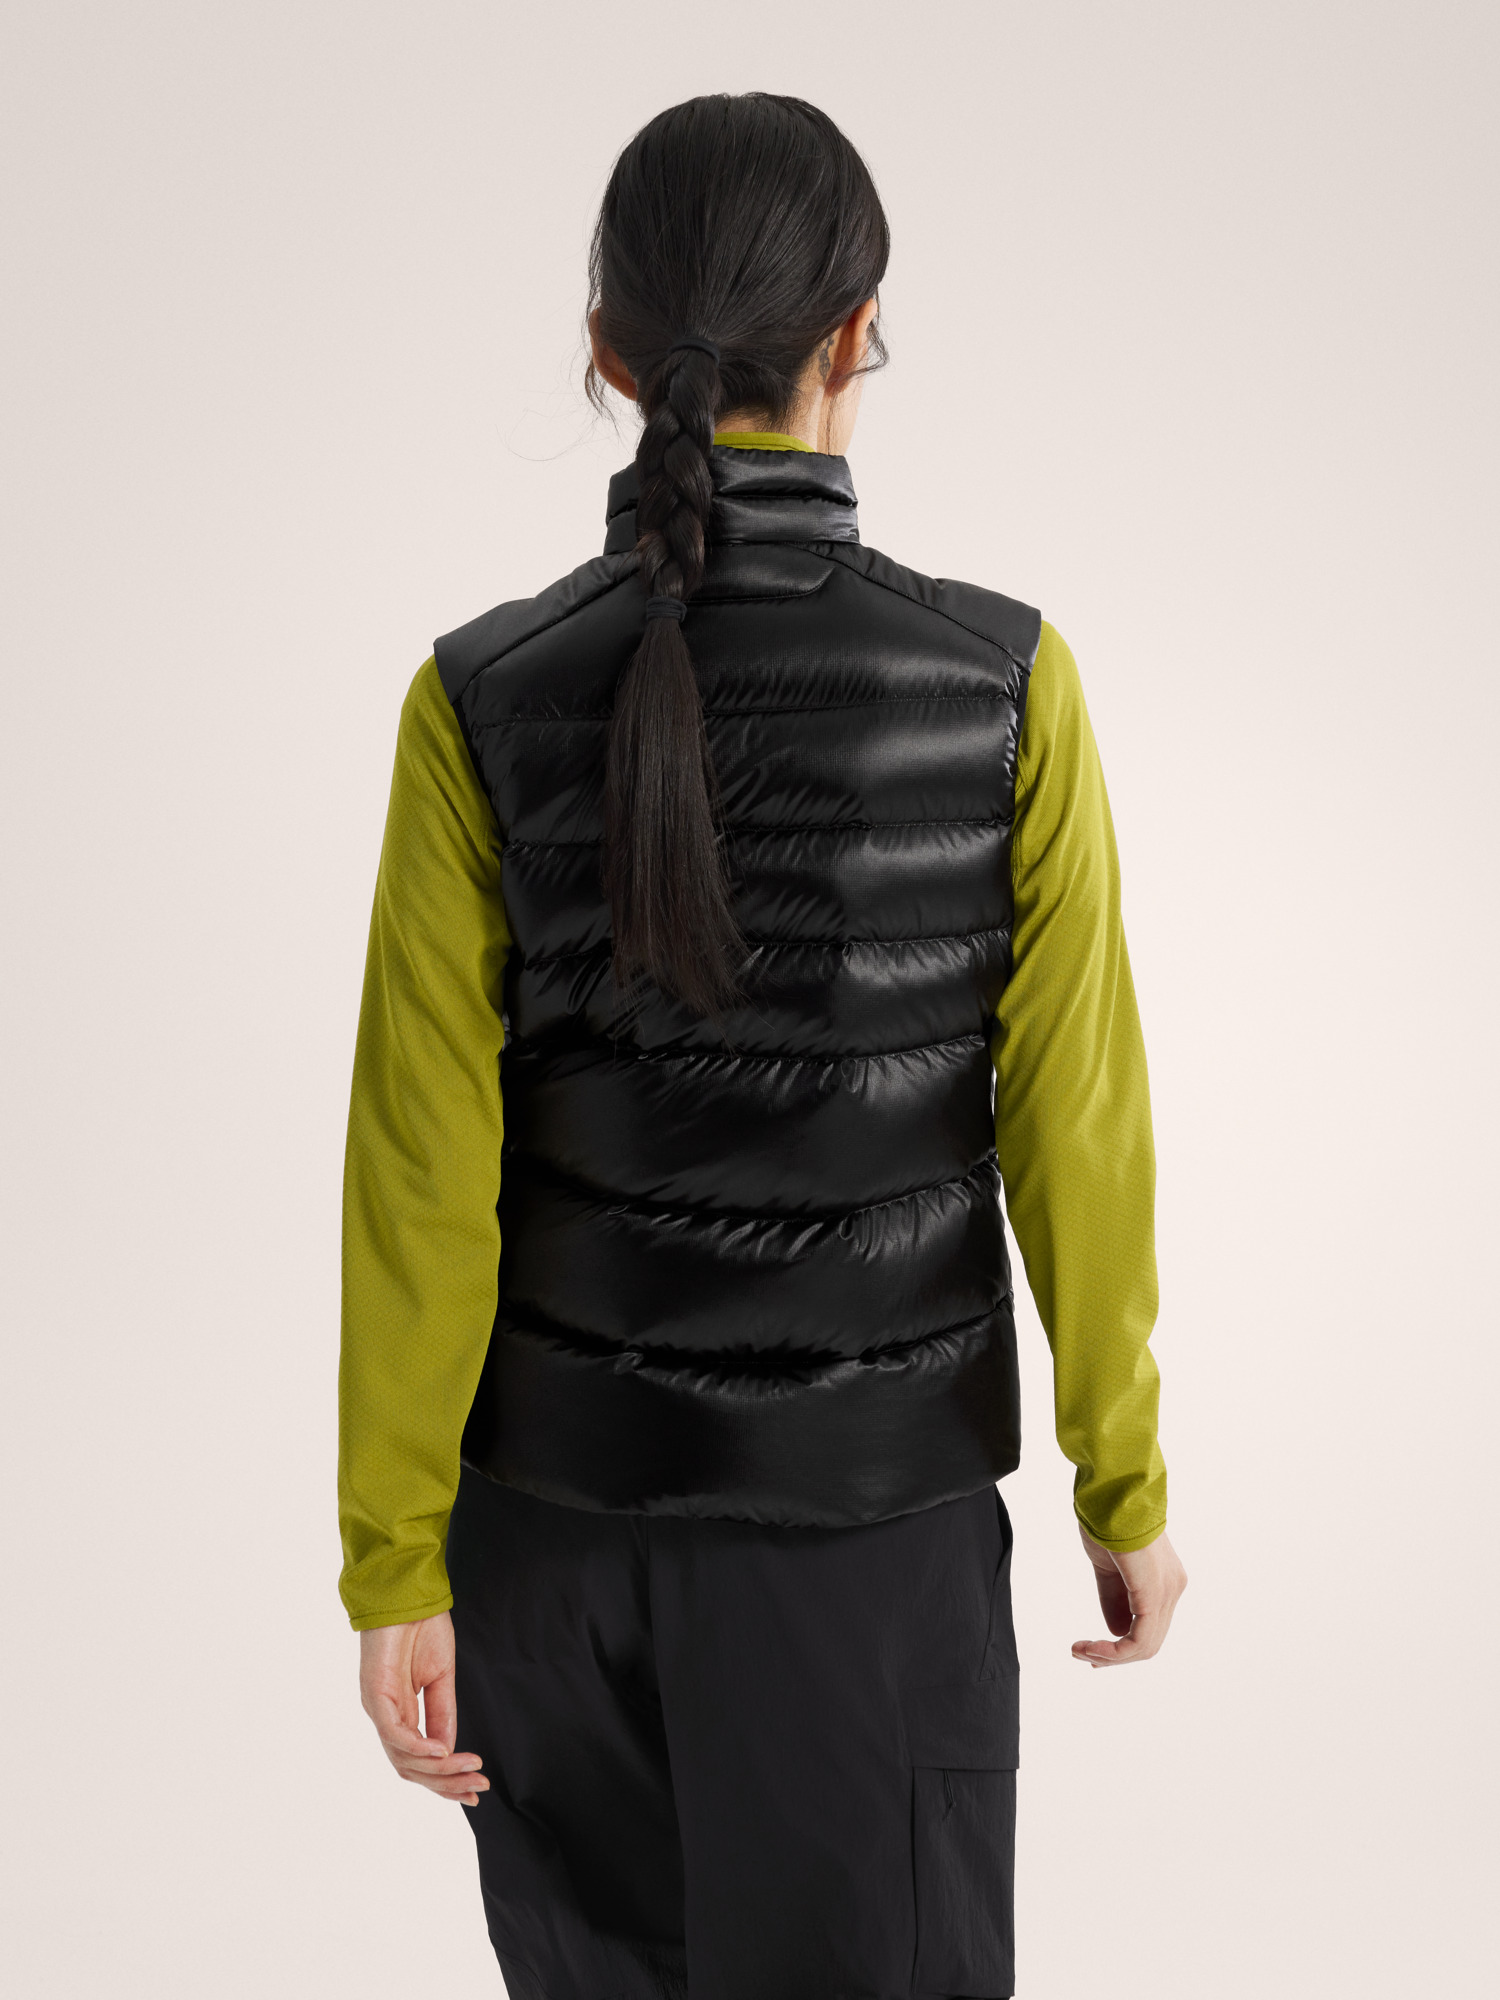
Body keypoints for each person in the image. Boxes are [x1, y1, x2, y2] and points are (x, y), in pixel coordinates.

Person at [338, 92, 1186, 2000]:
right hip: (867, 1566)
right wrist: (1120, 1484)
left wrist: (397, 1562)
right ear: (855, 335)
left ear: (607, 349)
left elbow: (418, 1170)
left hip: (550, 1565)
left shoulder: (473, 701)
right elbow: (1079, 1130)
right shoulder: (1005, 686)